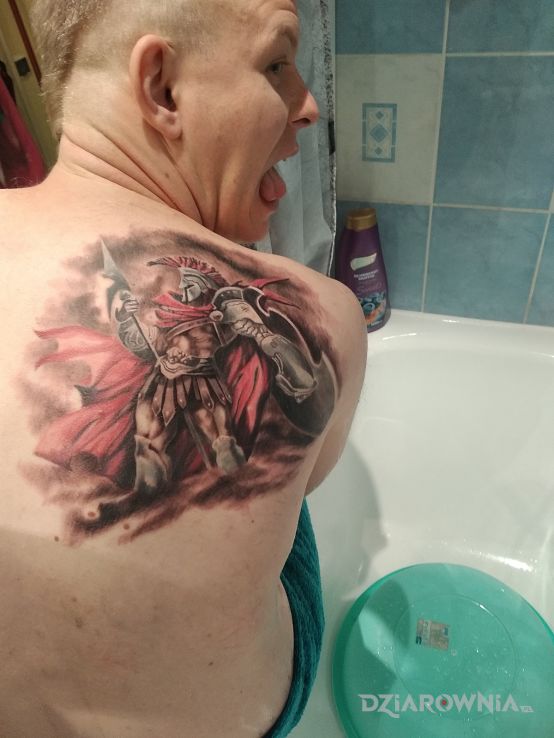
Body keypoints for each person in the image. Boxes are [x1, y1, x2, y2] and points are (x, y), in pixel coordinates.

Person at [0, 0, 367, 736]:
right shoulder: (325, 311)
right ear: (162, 87)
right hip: (244, 716)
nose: (308, 105)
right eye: (276, 63)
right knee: (268, 468)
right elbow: (305, 475)